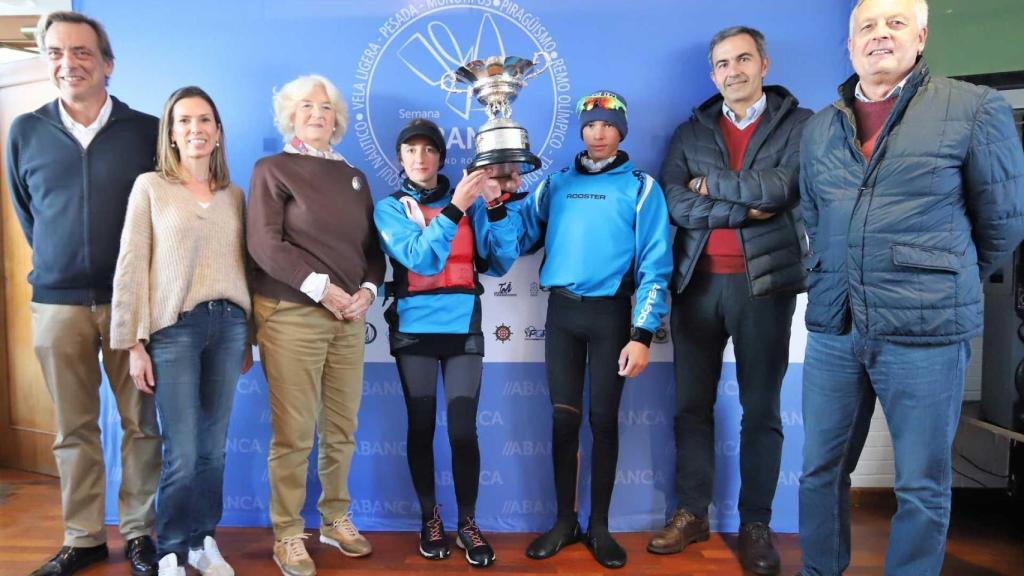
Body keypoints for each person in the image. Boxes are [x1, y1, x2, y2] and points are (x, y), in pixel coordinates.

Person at [798, 1, 1024, 574]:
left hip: (926, 332)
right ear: (849, 47)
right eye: (866, 27)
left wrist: (938, 279)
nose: (879, 35)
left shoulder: (973, 108)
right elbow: (813, 212)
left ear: (921, 37)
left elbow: (1003, 221)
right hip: (835, 325)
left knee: (921, 483)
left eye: (895, 23)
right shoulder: (819, 126)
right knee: (820, 471)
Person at [652, 26, 811, 575]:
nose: (733, 71)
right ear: (713, 73)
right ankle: (692, 513)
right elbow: (675, 203)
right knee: (690, 407)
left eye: (744, 59)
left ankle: (755, 524)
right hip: (696, 284)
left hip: (764, 286)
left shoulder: (801, 125)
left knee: (760, 409)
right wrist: (742, 204)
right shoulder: (689, 131)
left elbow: (782, 189)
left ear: (764, 63)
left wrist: (711, 185)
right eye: (722, 64)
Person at [6, 11, 160, 576]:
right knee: (73, 430)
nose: (67, 63)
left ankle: (141, 532)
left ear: (108, 65)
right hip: (56, 303)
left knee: (142, 424)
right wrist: (61, 263)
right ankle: (85, 537)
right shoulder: (25, 131)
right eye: (55, 53)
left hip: (132, 306)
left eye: (81, 52)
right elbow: (30, 216)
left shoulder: (147, 130)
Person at [518, 90, 672, 569]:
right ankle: (565, 522)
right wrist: (496, 203)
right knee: (564, 421)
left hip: (610, 318)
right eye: (589, 125)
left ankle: (599, 527)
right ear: (580, 130)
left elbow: (655, 266)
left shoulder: (642, 187)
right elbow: (519, 241)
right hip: (561, 315)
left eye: (607, 124)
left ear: (621, 130)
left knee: (603, 424)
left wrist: (642, 333)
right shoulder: (555, 185)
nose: (597, 133)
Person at [247, 74, 386, 576]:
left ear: (337, 120)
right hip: (291, 315)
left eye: (325, 108)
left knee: (341, 427)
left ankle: (334, 518)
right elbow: (265, 245)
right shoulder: (272, 169)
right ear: (290, 115)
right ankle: (288, 532)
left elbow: (372, 251)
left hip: (348, 319)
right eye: (306, 106)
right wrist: (320, 288)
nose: (317, 114)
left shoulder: (354, 176)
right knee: (294, 434)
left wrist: (367, 292)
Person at [110, 86, 251, 576]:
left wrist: (249, 335)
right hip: (174, 331)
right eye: (185, 121)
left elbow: (244, 267)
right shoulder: (150, 187)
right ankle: (169, 546)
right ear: (171, 133)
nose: (196, 129)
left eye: (205, 120)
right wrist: (133, 343)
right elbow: (131, 267)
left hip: (230, 327)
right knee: (184, 451)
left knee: (214, 449)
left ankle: (202, 542)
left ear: (217, 132)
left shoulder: (234, 195)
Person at [373, 119, 519, 567]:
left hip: (463, 330)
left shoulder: (470, 203)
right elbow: (420, 256)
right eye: (411, 150)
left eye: (429, 150)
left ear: (440, 157)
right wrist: (457, 206)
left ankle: (468, 523)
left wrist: (495, 208)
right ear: (400, 158)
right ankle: (429, 518)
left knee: (461, 431)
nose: (420, 157)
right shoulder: (389, 208)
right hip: (414, 330)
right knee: (421, 428)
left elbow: (499, 261)